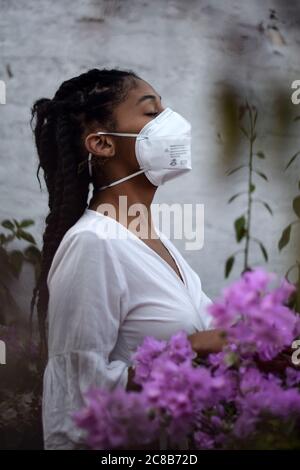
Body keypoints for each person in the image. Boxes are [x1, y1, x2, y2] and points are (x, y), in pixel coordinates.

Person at [30, 68, 226, 450]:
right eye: (152, 114)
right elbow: (75, 405)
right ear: (102, 143)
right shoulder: (92, 244)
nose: (173, 124)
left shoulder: (156, 242)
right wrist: (193, 347)